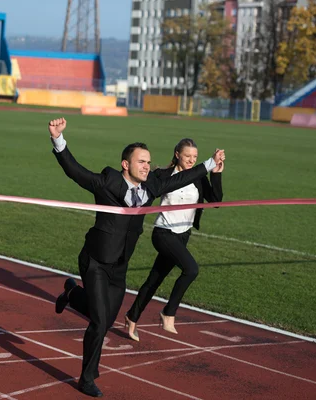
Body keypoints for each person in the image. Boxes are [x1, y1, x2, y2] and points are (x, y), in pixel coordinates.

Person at [48, 118, 224, 397]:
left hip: (120, 266)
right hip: (95, 259)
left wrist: (210, 164)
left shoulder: (151, 185)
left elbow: (181, 178)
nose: (146, 166)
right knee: (99, 323)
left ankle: (71, 294)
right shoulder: (108, 181)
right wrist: (58, 140)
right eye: (140, 161)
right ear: (125, 165)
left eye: (148, 161)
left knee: (105, 320)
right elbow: (75, 171)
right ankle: (87, 378)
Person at [124, 138, 224, 341]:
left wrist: (216, 175)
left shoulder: (198, 177)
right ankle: (168, 313)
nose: (191, 160)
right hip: (163, 234)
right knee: (191, 269)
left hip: (183, 235)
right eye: (187, 156)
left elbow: (215, 202)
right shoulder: (162, 175)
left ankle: (131, 317)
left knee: (155, 279)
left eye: (195, 157)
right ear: (177, 154)